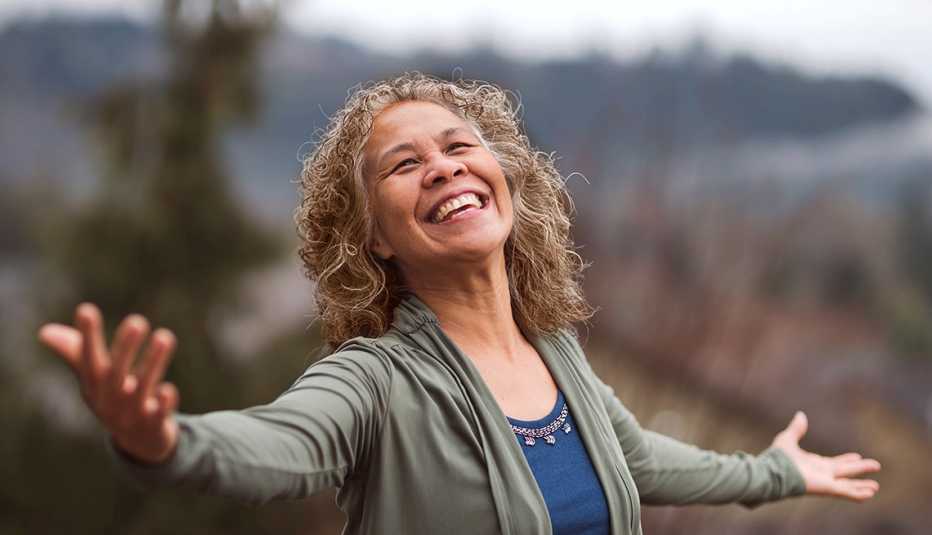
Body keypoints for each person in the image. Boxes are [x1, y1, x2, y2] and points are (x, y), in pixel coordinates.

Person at [38, 72, 881, 535]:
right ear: (372, 238)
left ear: (503, 177)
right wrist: (165, 441)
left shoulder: (557, 351)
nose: (443, 166)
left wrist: (776, 472)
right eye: (404, 165)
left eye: (457, 146)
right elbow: (280, 444)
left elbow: (637, 459)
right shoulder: (373, 382)